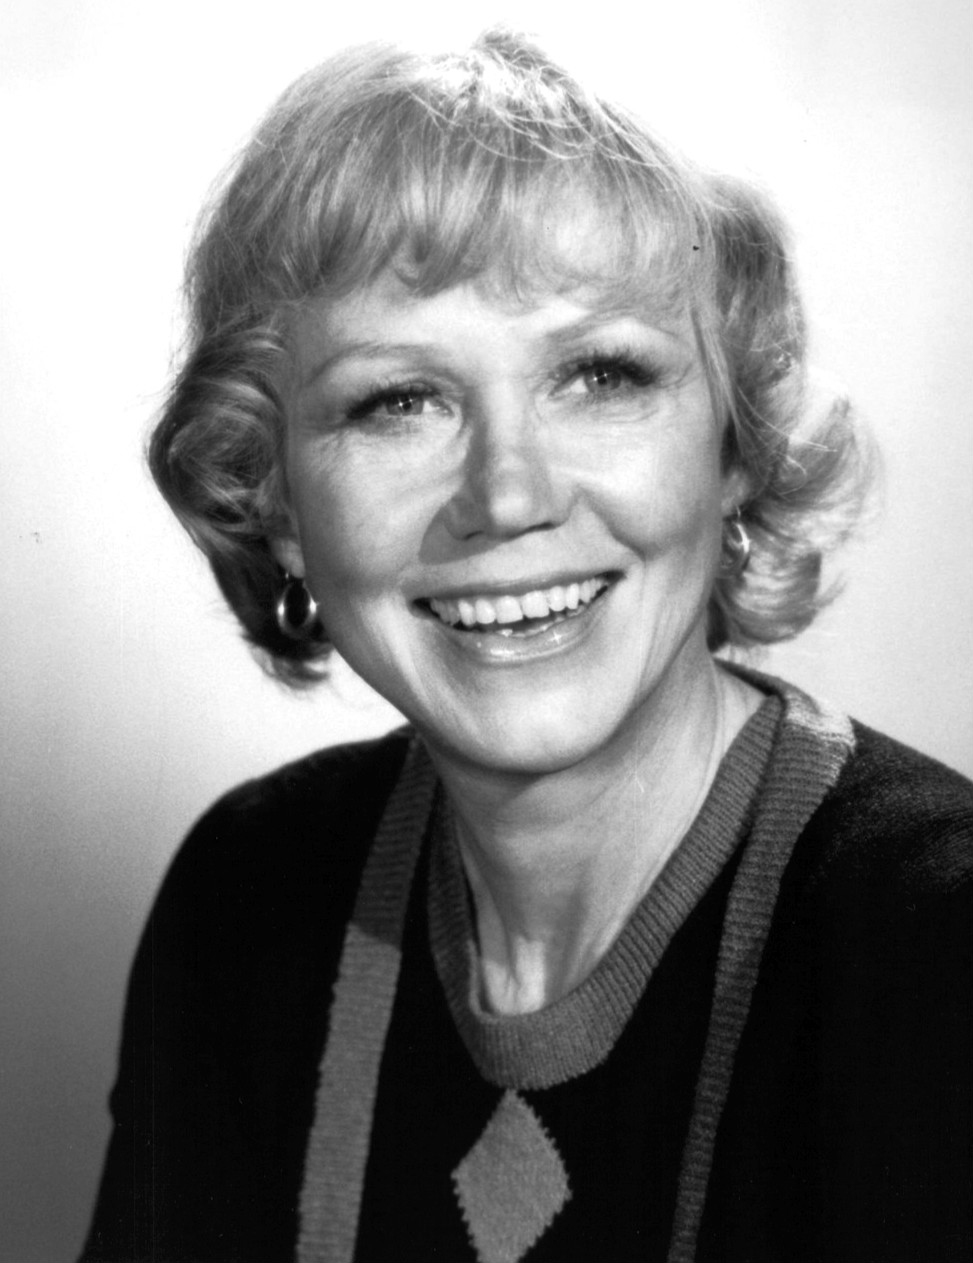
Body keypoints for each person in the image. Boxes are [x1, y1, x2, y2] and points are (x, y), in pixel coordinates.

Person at [80, 28, 972, 1263]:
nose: (507, 495)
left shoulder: (935, 945)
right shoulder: (248, 900)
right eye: (399, 401)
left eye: (600, 376)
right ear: (274, 502)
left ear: (734, 452)